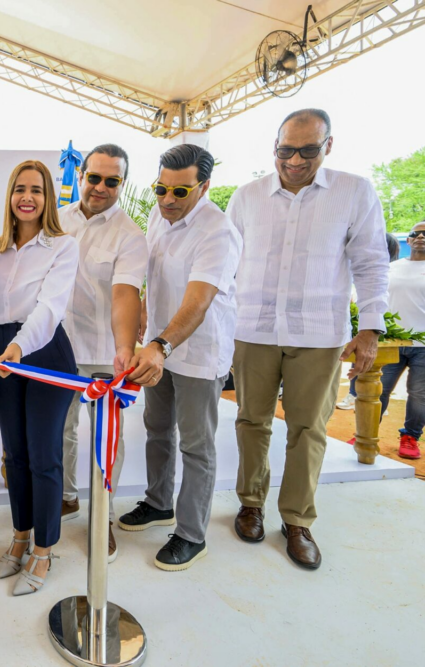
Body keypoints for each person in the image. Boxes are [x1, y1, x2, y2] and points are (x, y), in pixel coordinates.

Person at [229, 109, 389, 570]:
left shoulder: (354, 192)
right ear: (273, 147)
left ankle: (297, 520)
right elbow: (225, 261)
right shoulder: (247, 196)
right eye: (286, 150)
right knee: (251, 421)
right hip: (254, 328)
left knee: (308, 429)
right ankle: (251, 504)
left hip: (319, 333)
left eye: (308, 150)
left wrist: (370, 328)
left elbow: (371, 261)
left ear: (328, 146)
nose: (295, 160)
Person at [119, 144, 241, 572]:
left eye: (180, 192)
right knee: (156, 429)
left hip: (197, 354)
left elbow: (197, 302)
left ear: (204, 186)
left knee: (195, 445)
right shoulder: (159, 215)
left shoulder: (218, 232)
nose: (167, 199)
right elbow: (157, 279)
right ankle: (158, 503)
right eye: (161, 189)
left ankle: (192, 534)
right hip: (160, 349)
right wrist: (145, 315)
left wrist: (160, 345)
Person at [0, 161, 78, 595]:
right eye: (20, 188)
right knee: (14, 455)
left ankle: (43, 548)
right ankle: (20, 535)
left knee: (43, 456)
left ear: (48, 198)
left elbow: (50, 307)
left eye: (37, 190)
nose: (27, 197)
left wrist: (18, 348)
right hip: (2, 352)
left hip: (45, 351)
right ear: (10, 195)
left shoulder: (63, 246)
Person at [58, 144, 147, 563]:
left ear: (122, 184)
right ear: (81, 177)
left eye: (112, 181)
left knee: (106, 439)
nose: (100, 187)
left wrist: (125, 348)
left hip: (102, 354)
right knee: (58, 431)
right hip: (55, 348)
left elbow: (126, 293)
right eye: (94, 177)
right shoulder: (57, 220)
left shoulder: (130, 235)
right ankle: (64, 497)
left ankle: (103, 517)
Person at [372, 222, 425, 460]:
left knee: (419, 395)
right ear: (409, 240)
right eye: (416, 233)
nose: (420, 237)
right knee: (378, 390)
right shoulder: (391, 268)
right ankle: (367, 432)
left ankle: (410, 437)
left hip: (423, 346)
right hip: (391, 342)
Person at [337, 233, 401, 410]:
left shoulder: (388, 272)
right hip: (363, 323)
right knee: (359, 362)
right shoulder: (353, 270)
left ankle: (370, 402)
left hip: (378, 325)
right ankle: (353, 394)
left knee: (372, 367)